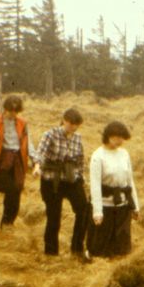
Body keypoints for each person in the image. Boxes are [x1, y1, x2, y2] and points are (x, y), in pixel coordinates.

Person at [34, 107, 90, 259]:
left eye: (76, 125)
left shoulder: (77, 137)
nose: (73, 127)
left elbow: (80, 159)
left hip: (71, 179)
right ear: (64, 120)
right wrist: (37, 167)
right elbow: (40, 153)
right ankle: (51, 253)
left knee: (84, 209)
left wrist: (81, 178)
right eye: (71, 124)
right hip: (52, 180)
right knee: (54, 217)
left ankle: (77, 249)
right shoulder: (50, 134)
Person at [0, 95, 36, 227]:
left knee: (15, 193)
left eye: (16, 111)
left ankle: (7, 224)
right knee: (12, 190)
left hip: (17, 162)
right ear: (5, 108)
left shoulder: (22, 123)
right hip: (1, 162)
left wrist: (35, 160)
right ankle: (6, 223)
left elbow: (28, 143)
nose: (13, 114)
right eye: (11, 111)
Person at [88, 120, 140, 258]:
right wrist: (97, 212)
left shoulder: (124, 154)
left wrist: (135, 207)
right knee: (101, 249)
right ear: (108, 136)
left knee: (121, 249)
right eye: (117, 137)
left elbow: (130, 181)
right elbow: (95, 185)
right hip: (106, 207)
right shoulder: (98, 156)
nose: (120, 141)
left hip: (123, 206)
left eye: (122, 137)